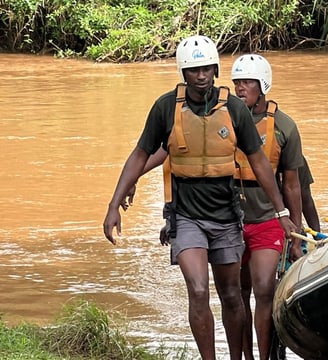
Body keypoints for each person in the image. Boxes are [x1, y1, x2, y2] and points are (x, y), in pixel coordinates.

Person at [102, 35, 297, 360]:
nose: (202, 75)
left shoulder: (234, 109)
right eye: (194, 70)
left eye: (207, 68)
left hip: (226, 218)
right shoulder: (166, 107)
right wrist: (114, 203)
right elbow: (142, 153)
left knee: (232, 295)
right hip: (186, 218)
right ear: (184, 72)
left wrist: (281, 212)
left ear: (215, 69)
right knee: (198, 289)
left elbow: (260, 162)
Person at [228, 53, 317, 360]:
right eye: (237, 82)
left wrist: (297, 233)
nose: (240, 88)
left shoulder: (284, 127)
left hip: (268, 218)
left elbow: (294, 185)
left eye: (247, 82)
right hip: (230, 220)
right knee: (237, 294)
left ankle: (265, 357)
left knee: (264, 289)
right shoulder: (222, 120)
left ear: (262, 85)